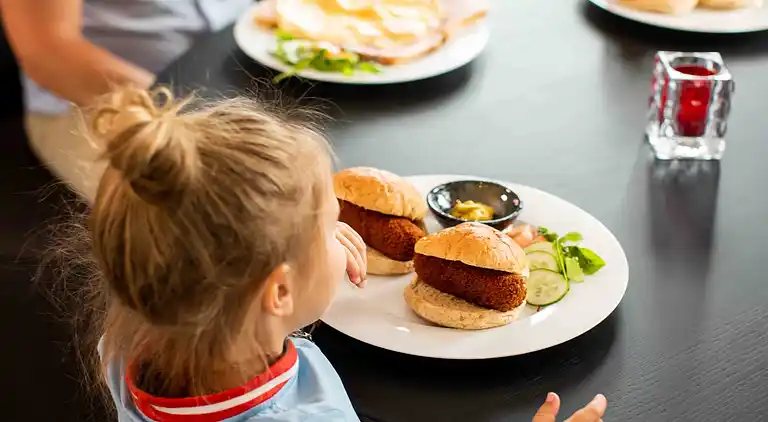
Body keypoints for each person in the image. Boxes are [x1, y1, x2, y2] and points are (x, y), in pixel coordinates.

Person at [61, 86, 609, 421]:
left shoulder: (131, 341)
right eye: (331, 225)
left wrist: (309, 263)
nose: (348, 232)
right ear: (275, 291)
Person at [0, 0, 252, 201]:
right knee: (217, 202)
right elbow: (49, 53)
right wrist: (178, 108)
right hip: (100, 100)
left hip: (243, 57)